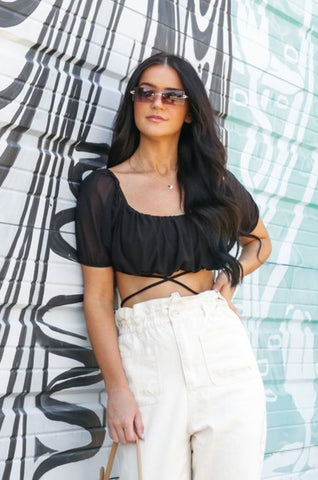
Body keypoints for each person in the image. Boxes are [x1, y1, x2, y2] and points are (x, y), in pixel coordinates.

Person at [75, 52, 272, 480]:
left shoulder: (213, 182)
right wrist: (117, 389)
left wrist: (228, 281)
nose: (156, 103)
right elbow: (97, 299)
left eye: (171, 95)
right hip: (147, 355)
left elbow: (259, 243)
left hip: (219, 346)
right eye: (145, 93)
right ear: (133, 103)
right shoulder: (104, 189)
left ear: (188, 112)